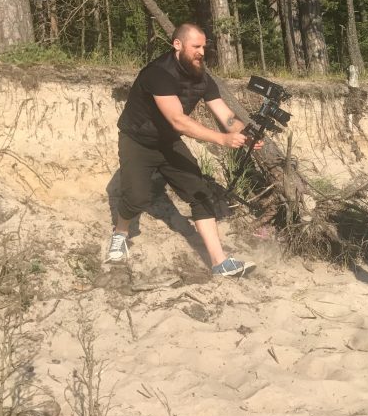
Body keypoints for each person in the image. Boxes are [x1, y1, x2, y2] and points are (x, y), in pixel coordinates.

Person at [107, 23, 260, 276]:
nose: (202, 52)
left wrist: (243, 134)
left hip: (169, 142)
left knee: (200, 192)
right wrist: (222, 140)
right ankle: (120, 233)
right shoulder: (158, 73)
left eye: (204, 46)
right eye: (196, 47)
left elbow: (225, 115)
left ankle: (219, 262)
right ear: (177, 45)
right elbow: (178, 120)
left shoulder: (202, 76)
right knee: (137, 198)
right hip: (138, 141)